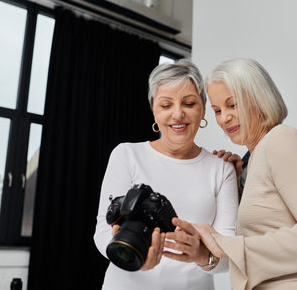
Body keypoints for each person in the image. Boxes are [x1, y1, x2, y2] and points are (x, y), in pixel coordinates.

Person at [164, 58, 297, 290]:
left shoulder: (282, 141)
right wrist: (204, 254)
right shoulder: (252, 160)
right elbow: (265, 236)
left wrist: (224, 243)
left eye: (233, 105)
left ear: (259, 97)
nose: (224, 118)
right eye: (217, 110)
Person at [93, 59, 239, 290]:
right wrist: (131, 257)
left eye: (189, 103)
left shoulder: (222, 168)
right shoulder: (127, 155)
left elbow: (229, 253)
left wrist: (200, 255)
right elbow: (103, 228)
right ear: (153, 109)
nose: (178, 114)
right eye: (166, 105)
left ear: (202, 108)